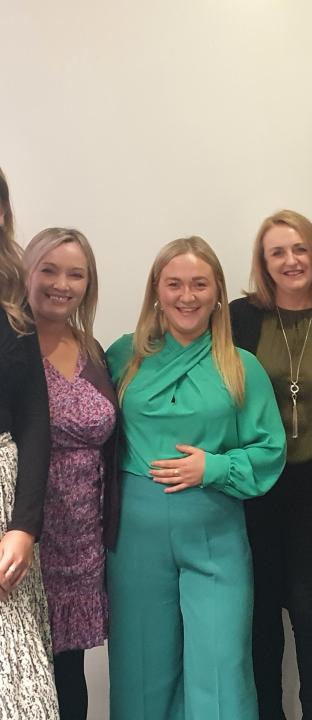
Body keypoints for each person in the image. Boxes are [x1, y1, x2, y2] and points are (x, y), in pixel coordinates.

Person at [105, 236, 286, 720]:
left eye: (200, 284)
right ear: (156, 291)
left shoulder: (240, 365)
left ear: (218, 293)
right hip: (135, 538)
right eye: (175, 284)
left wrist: (216, 467)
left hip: (215, 531)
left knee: (222, 667)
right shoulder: (124, 356)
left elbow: (270, 450)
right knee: (140, 668)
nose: (187, 296)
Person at [230, 210, 312, 720]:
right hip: (254, 486)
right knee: (261, 611)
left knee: (311, 610)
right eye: (277, 252)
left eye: (300, 248)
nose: (291, 261)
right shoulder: (240, 318)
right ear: (263, 264)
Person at [23, 228, 118, 720]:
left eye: (75, 274)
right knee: (22, 674)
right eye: (50, 269)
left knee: (68, 671)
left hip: (81, 540)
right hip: (24, 533)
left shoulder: (91, 348)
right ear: (27, 271)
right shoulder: (9, 344)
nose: (62, 284)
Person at [0, 167, 58, 719]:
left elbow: (34, 421)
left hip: (4, 500)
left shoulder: (11, 305)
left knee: (24, 696)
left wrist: (23, 526)